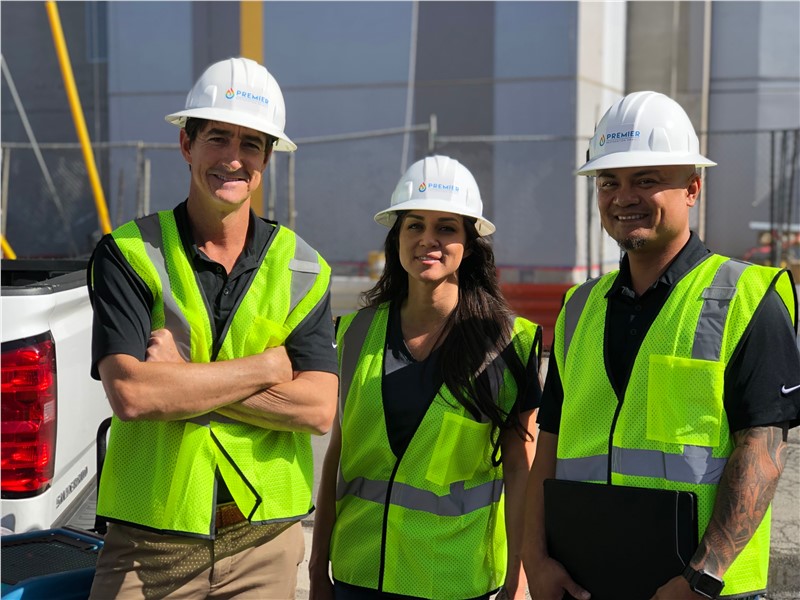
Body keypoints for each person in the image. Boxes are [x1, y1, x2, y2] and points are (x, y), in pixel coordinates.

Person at [521, 90, 800, 600]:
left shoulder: (747, 300)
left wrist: (702, 578)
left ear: (692, 188)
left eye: (646, 180)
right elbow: (551, 448)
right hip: (584, 585)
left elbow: (762, 450)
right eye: (609, 182)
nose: (623, 196)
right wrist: (534, 563)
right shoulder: (579, 308)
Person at [87, 57, 338, 599]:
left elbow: (317, 410)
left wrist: (183, 380)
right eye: (218, 138)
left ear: (267, 158)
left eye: (251, 144)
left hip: (264, 548)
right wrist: (267, 369)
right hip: (148, 548)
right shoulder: (130, 253)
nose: (233, 158)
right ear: (187, 145)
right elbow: (131, 393)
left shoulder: (303, 269)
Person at [309, 155, 542, 600]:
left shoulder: (510, 342)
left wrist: (518, 581)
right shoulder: (357, 332)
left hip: (455, 582)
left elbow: (519, 469)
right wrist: (320, 568)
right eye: (414, 225)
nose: (427, 240)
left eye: (446, 228)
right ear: (396, 237)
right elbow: (337, 457)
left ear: (469, 244)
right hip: (360, 578)